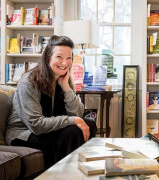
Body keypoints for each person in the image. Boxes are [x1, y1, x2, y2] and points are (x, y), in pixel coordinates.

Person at [5, 35, 97, 167]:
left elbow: (78, 114)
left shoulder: (64, 79)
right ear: (48, 57)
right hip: (24, 133)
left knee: (89, 124)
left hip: (49, 130)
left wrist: (66, 87)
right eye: (59, 57)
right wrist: (74, 120)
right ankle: (66, 176)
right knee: (74, 132)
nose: (64, 63)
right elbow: (36, 125)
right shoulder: (29, 81)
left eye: (69, 58)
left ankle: (80, 172)